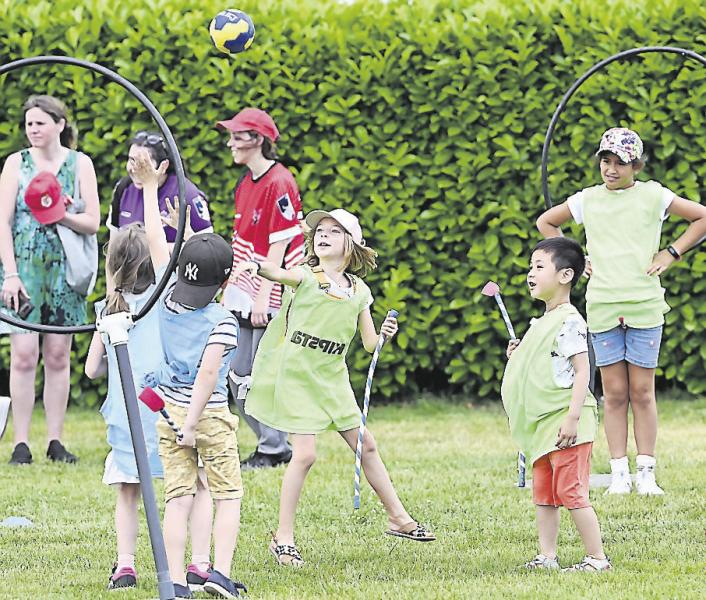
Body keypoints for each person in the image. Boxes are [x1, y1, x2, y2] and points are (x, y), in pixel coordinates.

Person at [232, 208, 436, 567]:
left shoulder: (359, 292)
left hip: (332, 379)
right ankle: (283, 539)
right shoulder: (307, 277)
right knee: (306, 454)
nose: (323, 235)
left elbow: (369, 343)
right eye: (320, 231)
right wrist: (257, 267)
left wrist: (384, 336)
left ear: (351, 244)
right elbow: (279, 273)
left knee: (366, 445)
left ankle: (398, 518)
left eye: (334, 231)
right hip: (296, 375)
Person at [536, 128, 706, 495]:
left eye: (620, 163)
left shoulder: (654, 195)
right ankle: (618, 473)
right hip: (603, 306)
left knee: (643, 392)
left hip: (644, 306)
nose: (611, 169)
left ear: (636, 165)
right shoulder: (588, 200)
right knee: (613, 393)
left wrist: (671, 254)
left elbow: (702, 218)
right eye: (605, 161)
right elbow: (546, 222)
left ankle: (646, 471)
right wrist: (578, 260)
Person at [84, 170, 213, 591]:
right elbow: (167, 251)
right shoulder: (163, 296)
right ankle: (199, 562)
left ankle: (125, 563)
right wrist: (158, 197)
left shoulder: (109, 307)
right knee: (189, 487)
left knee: (128, 490)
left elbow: (90, 370)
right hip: (166, 409)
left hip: (126, 417)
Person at [138, 153, 245, 599]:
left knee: (178, 499)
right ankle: (218, 572)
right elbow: (208, 376)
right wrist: (193, 422)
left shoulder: (164, 300)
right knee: (227, 494)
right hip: (209, 416)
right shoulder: (223, 319)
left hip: (166, 413)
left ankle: (175, 582)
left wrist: (147, 188)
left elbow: (156, 244)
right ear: (224, 282)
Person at [0, 94, 100, 465]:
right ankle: (20, 443)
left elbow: (92, 221)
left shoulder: (80, 164)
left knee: (58, 355)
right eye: (28, 124)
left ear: (60, 124)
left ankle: (55, 440)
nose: (33, 130)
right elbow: (3, 223)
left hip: (64, 270)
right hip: (24, 271)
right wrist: (10, 273)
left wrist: (61, 216)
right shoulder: (15, 164)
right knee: (24, 356)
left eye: (40, 123)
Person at [502, 237, 610, 572]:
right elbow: (544, 363)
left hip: (566, 421)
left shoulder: (570, 321)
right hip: (544, 423)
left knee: (571, 491)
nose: (529, 273)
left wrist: (573, 417)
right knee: (545, 493)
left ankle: (597, 559)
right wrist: (517, 355)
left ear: (565, 276)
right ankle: (547, 556)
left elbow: (582, 371)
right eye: (529, 267)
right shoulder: (543, 322)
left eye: (538, 266)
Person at [217, 108, 305, 470]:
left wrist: (261, 295)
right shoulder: (246, 183)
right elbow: (242, 242)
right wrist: (231, 286)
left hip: (269, 293)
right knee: (235, 375)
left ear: (258, 140)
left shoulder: (279, 181)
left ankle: (274, 447)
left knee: (257, 373)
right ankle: (272, 443)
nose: (231, 143)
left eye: (238, 137)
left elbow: (280, 247)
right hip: (247, 287)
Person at [108, 130, 213, 244]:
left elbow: (205, 248)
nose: (135, 169)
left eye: (143, 163)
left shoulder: (187, 194)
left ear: (164, 166)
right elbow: (113, 244)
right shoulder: (123, 188)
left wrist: (158, 250)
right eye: (132, 160)